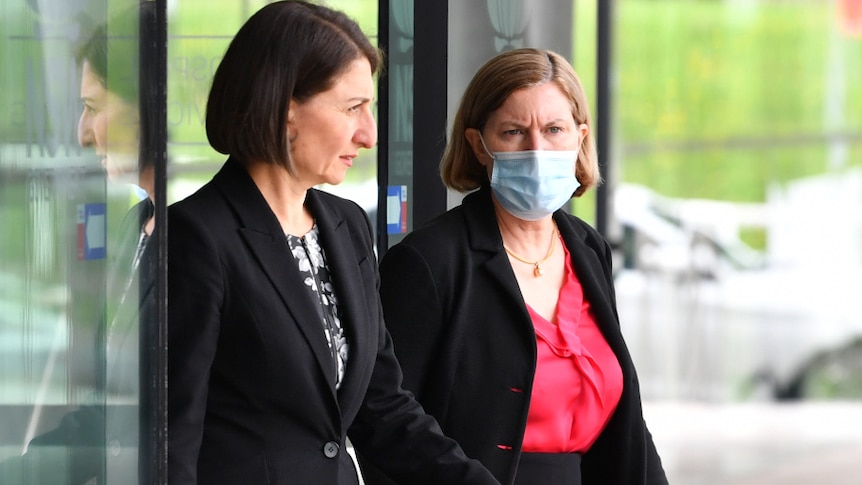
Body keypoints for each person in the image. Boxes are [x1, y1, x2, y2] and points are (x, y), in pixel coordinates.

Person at [166, 2, 499, 484]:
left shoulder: (346, 226)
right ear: (284, 109)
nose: (369, 134)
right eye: (352, 108)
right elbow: (174, 436)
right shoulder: (198, 238)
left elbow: (382, 407)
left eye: (371, 108)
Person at [358, 48, 668, 485]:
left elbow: (626, 423)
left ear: (580, 138)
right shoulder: (430, 262)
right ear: (478, 145)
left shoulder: (588, 250)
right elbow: (383, 417)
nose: (537, 150)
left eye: (554, 129)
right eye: (514, 132)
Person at [0, 3, 159, 484]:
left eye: (92, 108)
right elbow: (113, 410)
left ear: (148, 102)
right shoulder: (138, 225)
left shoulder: (202, 243)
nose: (82, 134)